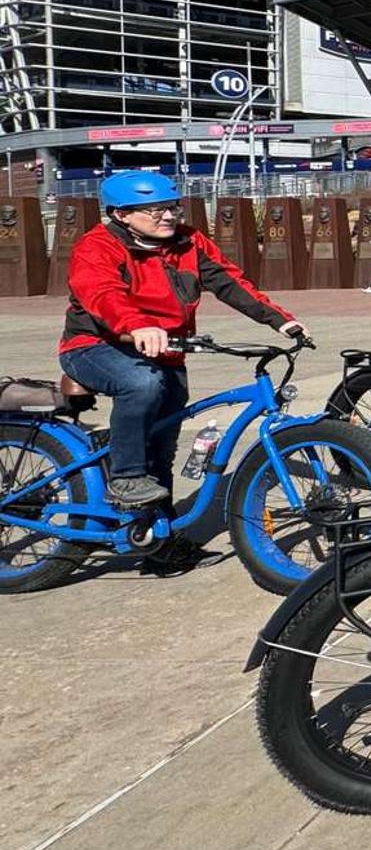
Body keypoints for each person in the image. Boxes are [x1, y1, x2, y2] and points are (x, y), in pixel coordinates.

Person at [59, 171, 306, 564]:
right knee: (141, 384)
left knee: (162, 447)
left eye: (172, 207)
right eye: (154, 210)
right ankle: (124, 479)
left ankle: (157, 537)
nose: (168, 217)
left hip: (165, 351)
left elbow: (229, 281)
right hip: (95, 345)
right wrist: (136, 325)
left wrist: (279, 319)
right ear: (121, 214)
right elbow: (101, 293)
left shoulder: (189, 242)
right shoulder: (97, 246)